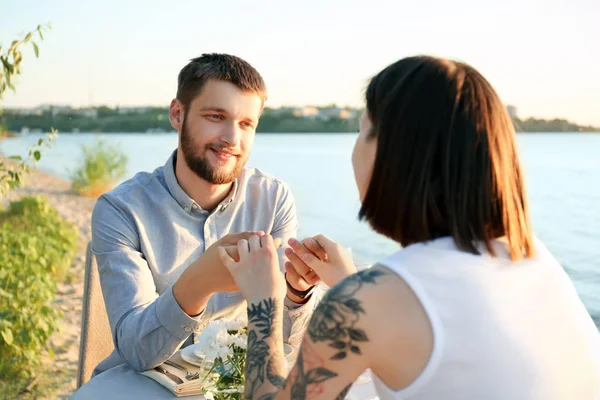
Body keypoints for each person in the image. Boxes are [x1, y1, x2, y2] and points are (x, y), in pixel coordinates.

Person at [218, 56, 600, 399]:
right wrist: (349, 282)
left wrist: (263, 300)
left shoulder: (366, 302)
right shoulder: (531, 255)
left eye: (362, 129)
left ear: (392, 155)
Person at [90, 53, 323, 375]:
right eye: (216, 116)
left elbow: (283, 344)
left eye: (246, 124)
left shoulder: (273, 199)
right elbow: (136, 351)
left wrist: (297, 291)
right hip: (141, 387)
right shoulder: (121, 210)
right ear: (177, 113)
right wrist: (199, 283)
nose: (231, 138)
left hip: (233, 385)